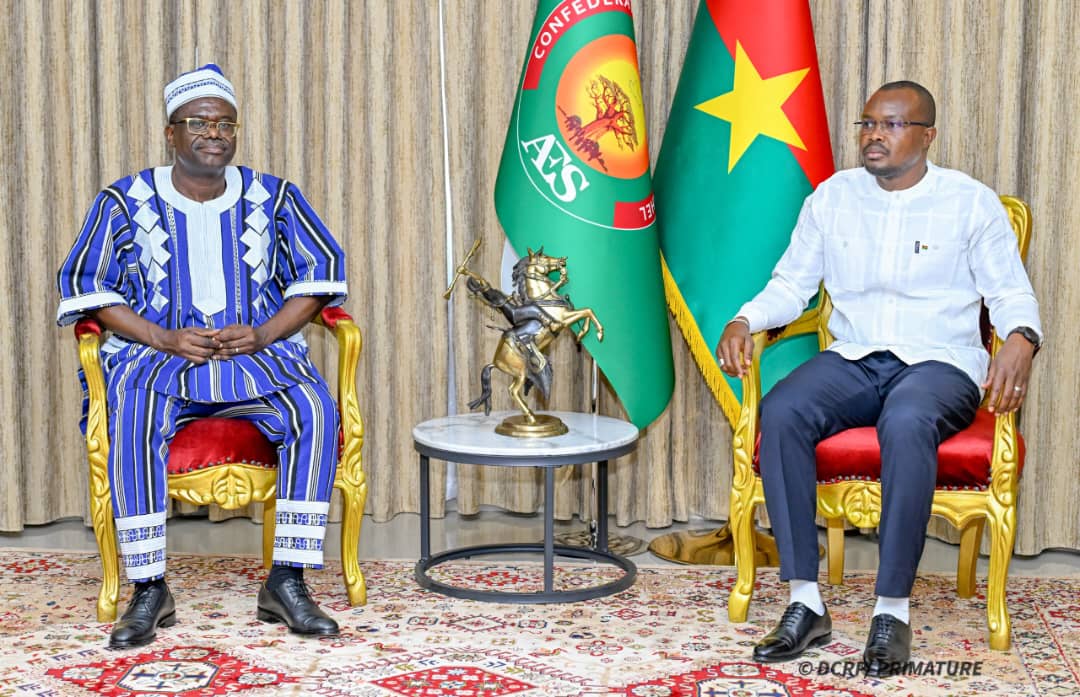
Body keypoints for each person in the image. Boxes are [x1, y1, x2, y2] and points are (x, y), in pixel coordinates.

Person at [715, 81, 1041, 675]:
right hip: (857, 356)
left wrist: (1021, 336)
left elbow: (1010, 292)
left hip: (940, 361)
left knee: (908, 418)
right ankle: (805, 602)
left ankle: (891, 612)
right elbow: (792, 283)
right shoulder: (832, 197)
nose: (873, 135)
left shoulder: (969, 203)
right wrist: (744, 319)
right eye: (867, 123)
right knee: (783, 410)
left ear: (927, 136)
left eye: (891, 125)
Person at [56, 64, 348, 649]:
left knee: (314, 408)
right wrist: (161, 337)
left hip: (256, 357)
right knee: (133, 413)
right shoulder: (124, 200)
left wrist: (264, 333)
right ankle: (149, 587)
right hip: (158, 358)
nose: (214, 133)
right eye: (199, 122)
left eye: (225, 124)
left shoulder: (274, 196)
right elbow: (87, 286)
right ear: (171, 133)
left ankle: (287, 581)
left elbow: (322, 276)